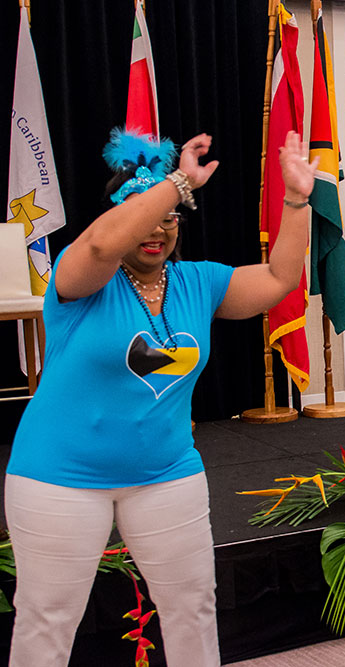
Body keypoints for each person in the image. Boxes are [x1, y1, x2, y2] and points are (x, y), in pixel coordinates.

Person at [4, 128, 317, 666]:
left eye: (170, 218)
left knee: (192, 609)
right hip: (59, 478)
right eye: (146, 215)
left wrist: (296, 199)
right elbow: (102, 245)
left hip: (167, 473)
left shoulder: (199, 282)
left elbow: (279, 277)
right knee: (48, 620)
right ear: (121, 215)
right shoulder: (81, 278)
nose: (156, 229)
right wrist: (178, 182)